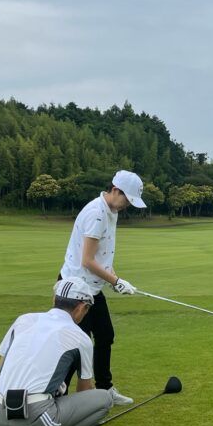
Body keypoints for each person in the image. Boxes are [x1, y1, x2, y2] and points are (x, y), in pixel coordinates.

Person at [0, 278, 115, 426]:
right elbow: (85, 389)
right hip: (37, 419)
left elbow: (2, 366)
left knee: (17, 384)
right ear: (82, 307)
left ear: (54, 299)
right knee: (104, 399)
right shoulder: (79, 336)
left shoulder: (23, 319)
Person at [58, 169, 147, 405]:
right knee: (78, 346)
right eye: (127, 198)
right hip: (75, 290)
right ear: (115, 190)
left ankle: (105, 390)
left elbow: (103, 255)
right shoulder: (96, 214)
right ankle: (58, 397)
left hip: (92, 289)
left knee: (105, 335)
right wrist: (115, 281)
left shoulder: (111, 210)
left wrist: (114, 277)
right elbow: (86, 260)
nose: (127, 204)